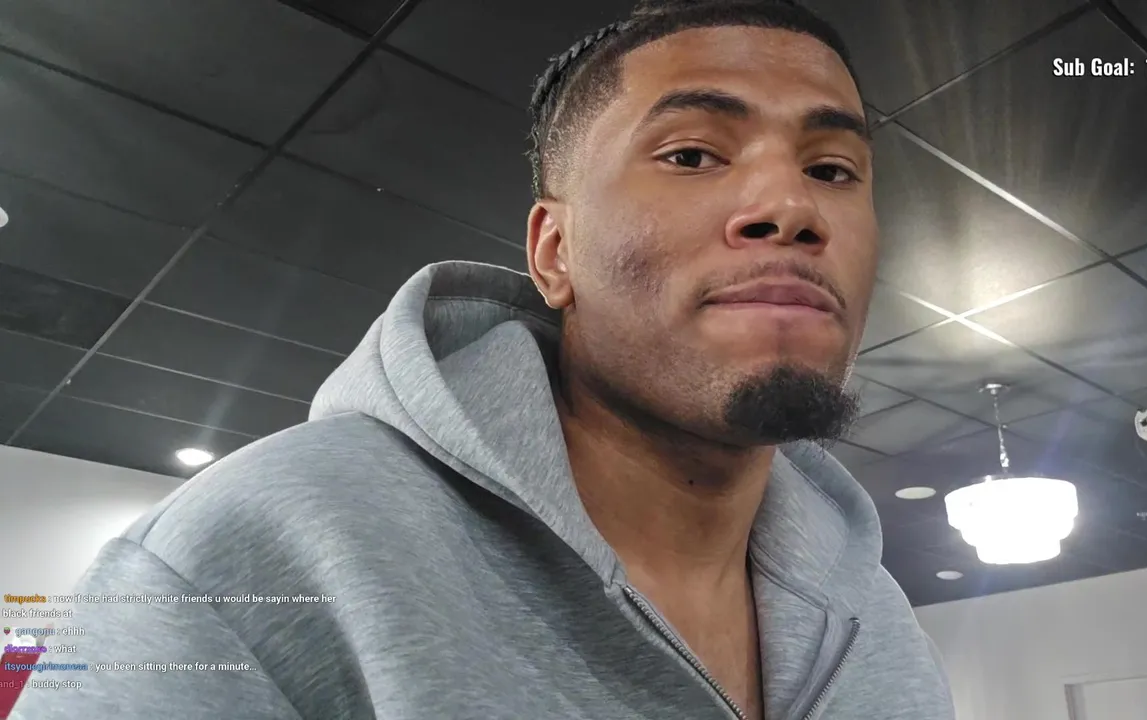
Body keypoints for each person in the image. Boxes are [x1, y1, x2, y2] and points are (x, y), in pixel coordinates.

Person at [14, 0, 955, 717]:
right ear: (554, 253)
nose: (791, 207)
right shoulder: (242, 552)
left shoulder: (876, 617)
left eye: (832, 170)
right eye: (692, 155)